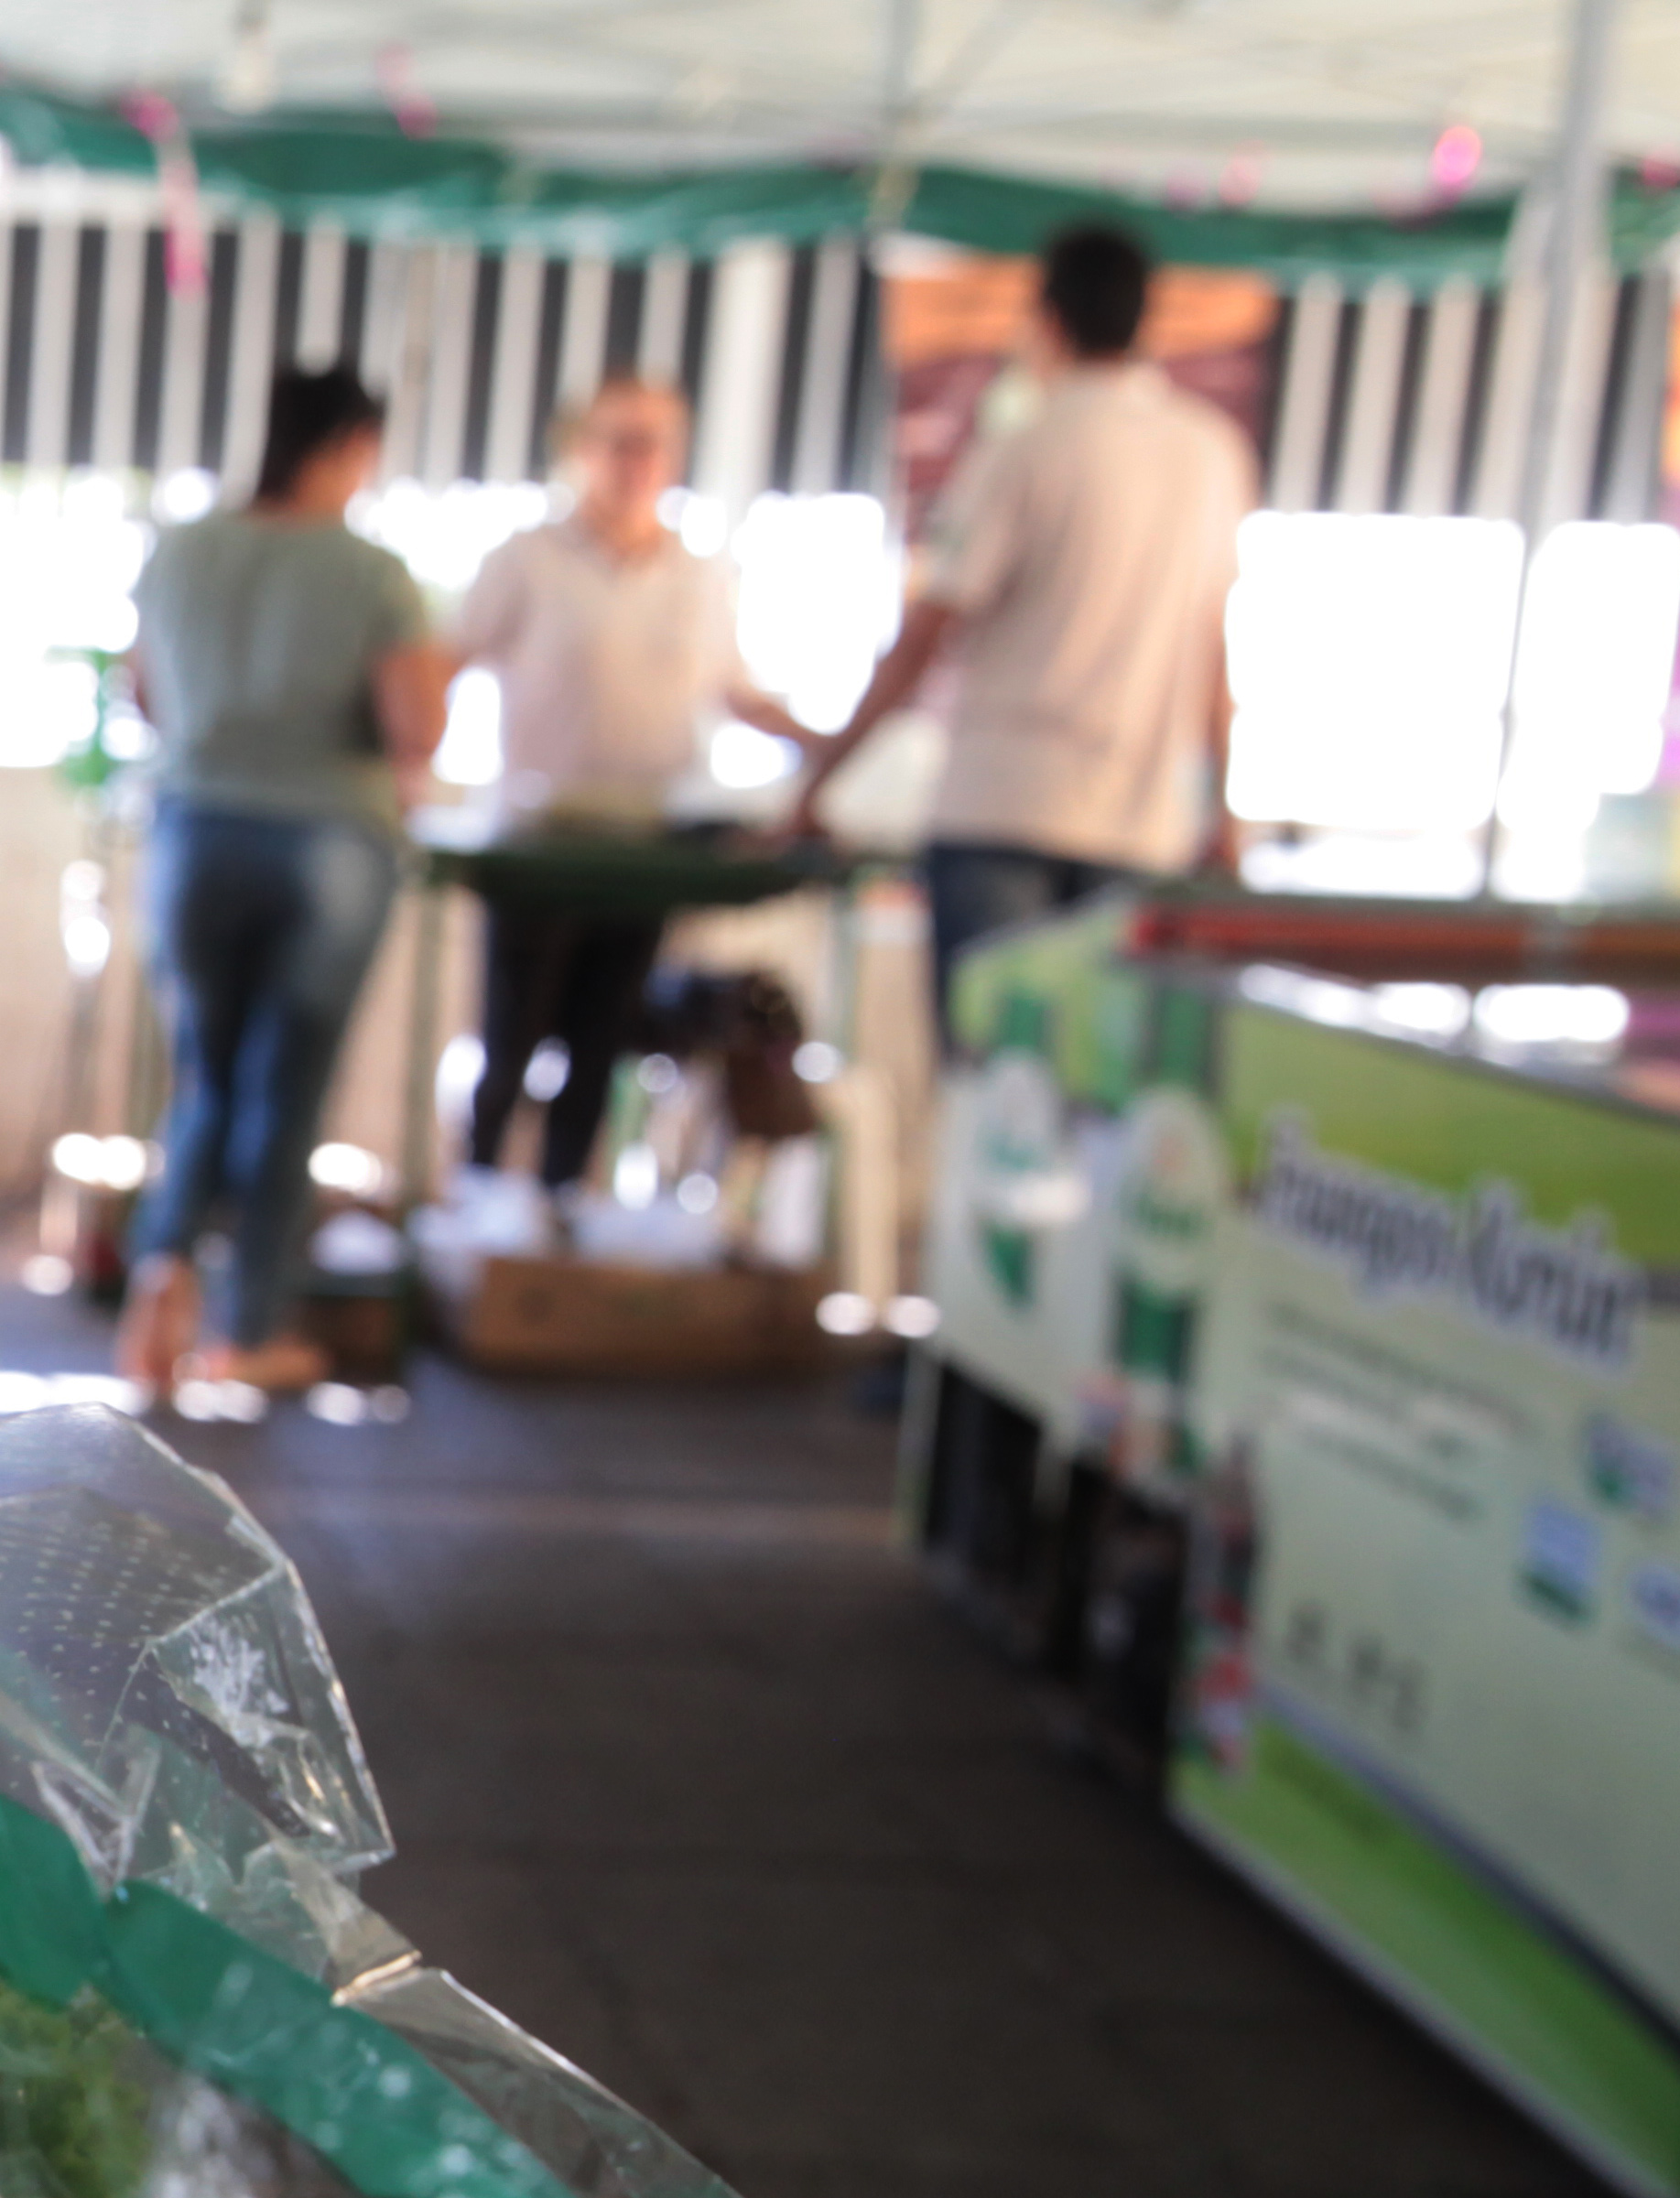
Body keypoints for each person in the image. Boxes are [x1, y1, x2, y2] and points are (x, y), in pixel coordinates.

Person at [789, 218, 1252, 1060]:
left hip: (1003, 808)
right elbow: (1215, 652)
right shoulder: (1212, 455)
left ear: (1047, 318)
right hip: (1142, 825)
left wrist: (818, 784)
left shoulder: (1026, 446)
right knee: (1100, 1092)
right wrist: (1225, 812)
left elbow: (926, 635)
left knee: (988, 1082)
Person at [116, 367, 445, 1396]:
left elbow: (145, 693)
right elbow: (416, 727)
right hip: (330, 841)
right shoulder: (373, 574)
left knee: (203, 1079)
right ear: (351, 445)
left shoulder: (182, 551)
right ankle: (250, 1327)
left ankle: (162, 1278)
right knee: (287, 1090)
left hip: (195, 831)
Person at [440, 374, 824, 1215]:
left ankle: (560, 1213)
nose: (637, 461)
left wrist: (834, 752)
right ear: (581, 449)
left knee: (601, 1041)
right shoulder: (526, 559)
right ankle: (473, 1207)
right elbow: (449, 662)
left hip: (648, 844)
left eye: (654, 443)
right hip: (539, 842)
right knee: (511, 1039)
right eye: (620, 440)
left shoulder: (700, 571)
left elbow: (737, 691)